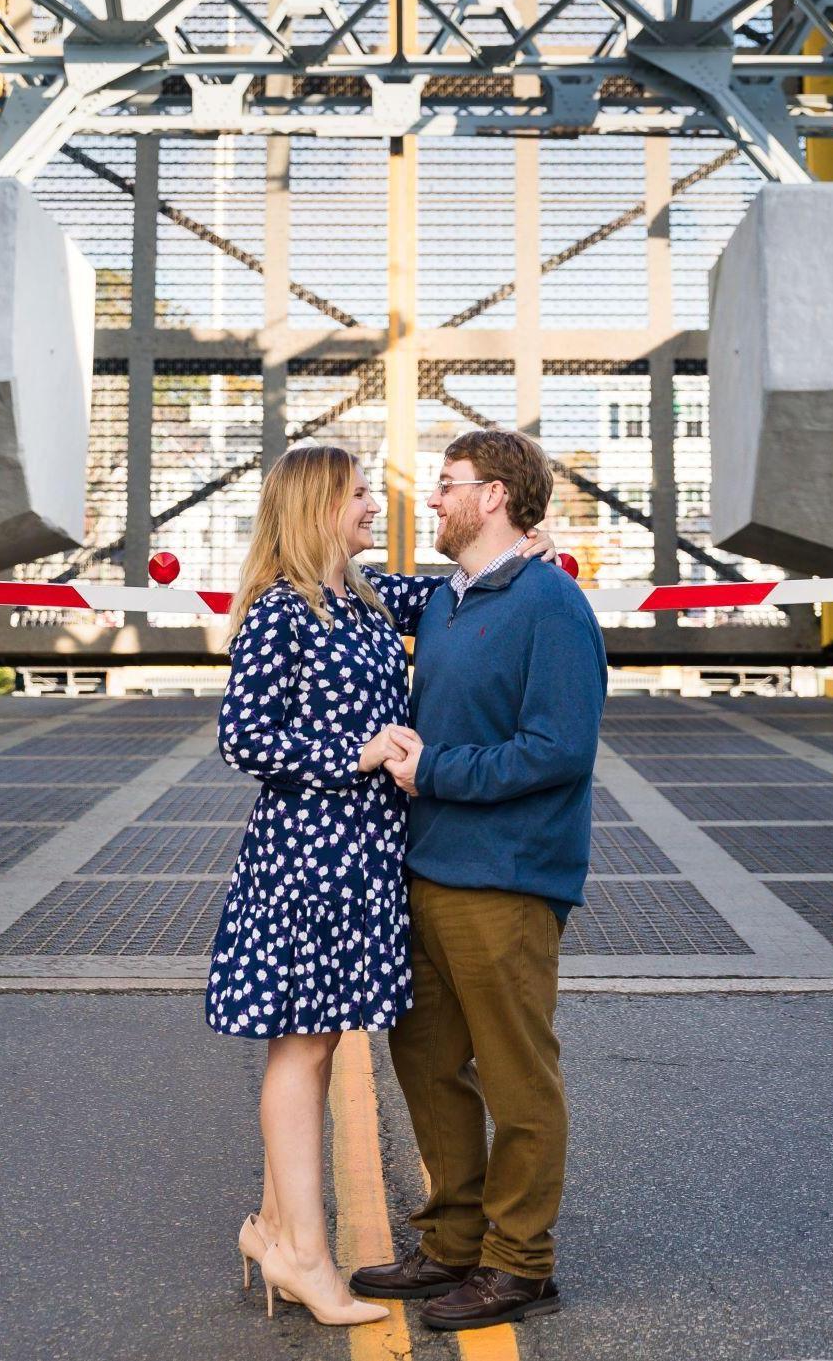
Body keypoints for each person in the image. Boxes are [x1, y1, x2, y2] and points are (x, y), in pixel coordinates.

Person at [202, 441, 562, 1325]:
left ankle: (275, 1232)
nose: (378, 505)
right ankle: (306, 1256)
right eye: (361, 494)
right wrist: (352, 752)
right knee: (305, 1046)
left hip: (364, 854)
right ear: (318, 506)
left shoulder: (366, 600)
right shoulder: (281, 610)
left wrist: (529, 551)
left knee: (318, 1046)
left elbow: (462, 588)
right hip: (308, 853)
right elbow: (242, 739)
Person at [353, 428, 607, 1333]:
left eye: (447, 482)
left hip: (505, 876)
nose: (432, 498)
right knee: (426, 1064)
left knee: (515, 1078)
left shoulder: (550, 603)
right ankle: (452, 1241)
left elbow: (558, 749)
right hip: (425, 867)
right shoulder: (448, 600)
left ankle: (520, 1263)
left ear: (494, 494)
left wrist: (438, 773)